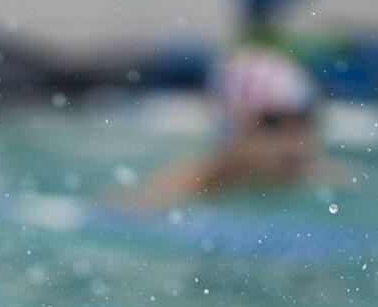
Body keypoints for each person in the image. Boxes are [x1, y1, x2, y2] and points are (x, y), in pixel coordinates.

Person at [134, 47, 321, 206]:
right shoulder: (172, 193)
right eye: (272, 122)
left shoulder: (325, 183)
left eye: (303, 119)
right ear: (231, 127)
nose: (294, 139)